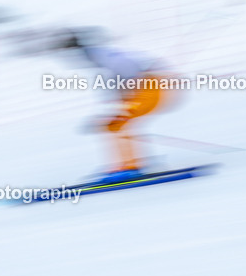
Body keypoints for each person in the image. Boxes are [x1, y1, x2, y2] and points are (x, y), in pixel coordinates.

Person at [63, 32, 168, 177]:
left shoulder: (100, 57)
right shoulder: (98, 55)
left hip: (151, 84)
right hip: (147, 84)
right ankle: (127, 165)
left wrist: (120, 104)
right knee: (115, 123)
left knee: (119, 122)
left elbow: (127, 72)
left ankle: (131, 166)